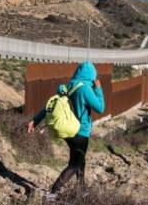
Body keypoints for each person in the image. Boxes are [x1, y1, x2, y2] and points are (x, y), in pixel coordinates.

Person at [27, 61, 105, 200]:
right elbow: (100, 108)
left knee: (80, 160)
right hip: (81, 132)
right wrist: (98, 89)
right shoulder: (86, 89)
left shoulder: (68, 86)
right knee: (75, 164)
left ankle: (82, 188)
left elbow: (50, 106)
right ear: (91, 75)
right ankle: (52, 192)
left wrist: (35, 121)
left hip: (68, 130)